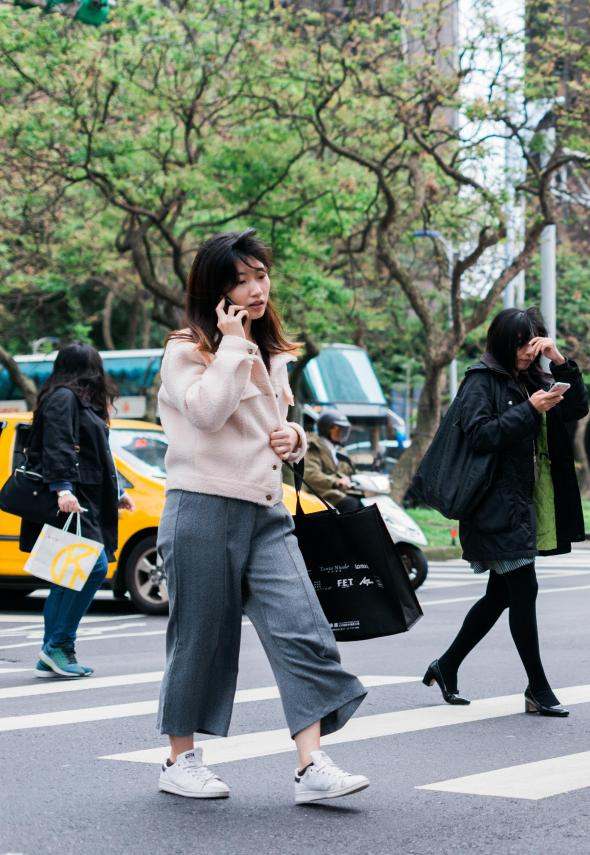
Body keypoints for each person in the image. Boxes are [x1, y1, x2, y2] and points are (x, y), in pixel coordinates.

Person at [154, 229, 369, 804]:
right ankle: (180, 759)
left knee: (303, 628)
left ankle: (311, 765)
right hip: (202, 507)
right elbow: (204, 413)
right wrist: (227, 345)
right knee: (200, 639)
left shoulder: (274, 353)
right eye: (241, 280)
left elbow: (272, 435)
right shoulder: (185, 350)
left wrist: (295, 437)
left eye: (261, 275)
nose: (255, 289)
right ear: (216, 290)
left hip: (267, 511)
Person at [423, 307, 588, 716]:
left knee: (501, 594)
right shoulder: (482, 381)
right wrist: (530, 409)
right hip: (492, 505)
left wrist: (561, 361)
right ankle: (538, 687)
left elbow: (576, 409)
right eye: (519, 344)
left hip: (522, 504)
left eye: (532, 343)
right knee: (523, 589)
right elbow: (480, 436)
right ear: (502, 342)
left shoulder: (535, 376)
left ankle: (446, 665)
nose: (527, 352)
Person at [19, 343, 134, 678]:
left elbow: (95, 454)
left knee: (67, 574)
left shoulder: (78, 402)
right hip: (71, 499)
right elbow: (57, 445)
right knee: (91, 567)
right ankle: (59, 645)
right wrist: (63, 488)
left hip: (85, 497)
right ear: (90, 368)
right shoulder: (64, 399)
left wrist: (117, 492)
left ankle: (53, 651)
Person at [304, 409, 362, 512]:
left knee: (364, 501)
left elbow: (349, 471)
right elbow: (311, 474)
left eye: (343, 430)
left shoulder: (339, 449)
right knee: (352, 504)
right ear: (325, 428)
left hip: (339, 492)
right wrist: (335, 482)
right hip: (320, 493)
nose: (341, 433)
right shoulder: (313, 446)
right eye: (337, 429)